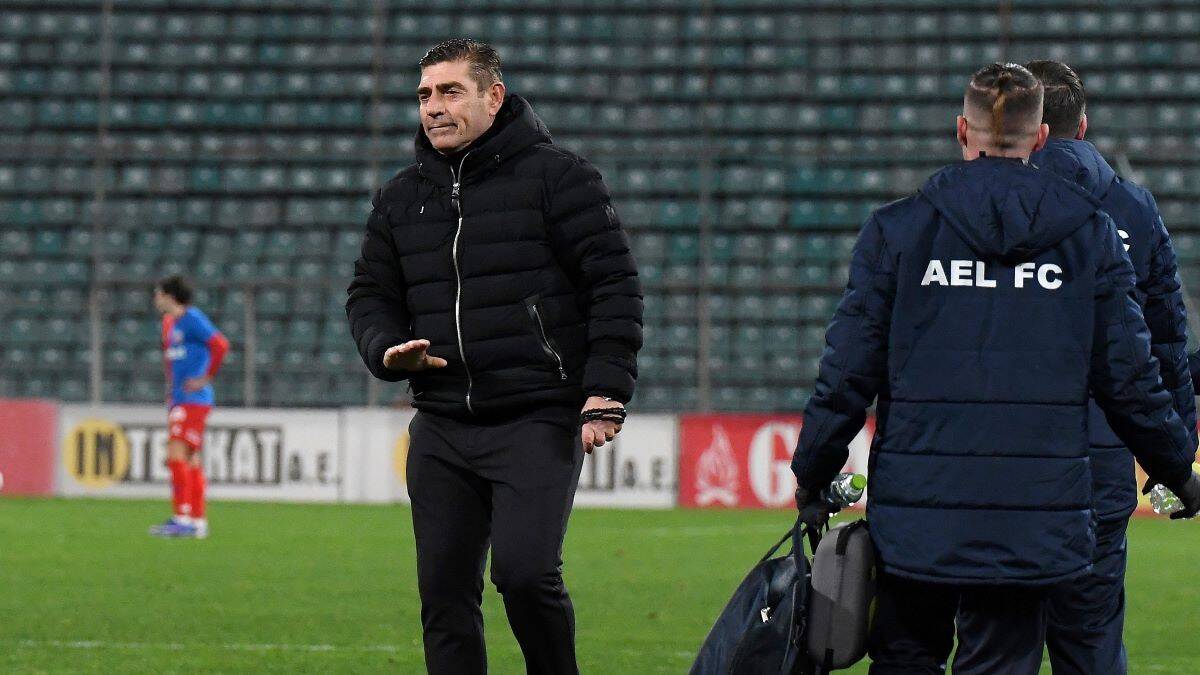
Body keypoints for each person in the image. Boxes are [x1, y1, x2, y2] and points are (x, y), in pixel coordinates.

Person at [791, 63, 1200, 675]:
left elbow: (847, 371)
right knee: (1002, 660)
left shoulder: (898, 231)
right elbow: (1131, 379)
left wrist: (813, 472)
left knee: (906, 657)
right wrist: (1177, 468)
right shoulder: (1090, 237)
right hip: (1030, 516)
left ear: (962, 130)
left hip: (917, 509)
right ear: (1042, 139)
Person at [345, 39, 642, 675]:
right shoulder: (399, 198)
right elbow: (369, 295)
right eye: (425, 95)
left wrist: (606, 388)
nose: (433, 107)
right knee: (444, 595)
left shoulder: (561, 178)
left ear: (493, 97)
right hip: (442, 423)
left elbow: (613, 286)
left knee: (526, 575)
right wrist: (386, 350)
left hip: (536, 416)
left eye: (450, 91)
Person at [1009, 59, 1197, 675]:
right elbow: (1164, 342)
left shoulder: (974, 205)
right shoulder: (1134, 210)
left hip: (998, 468)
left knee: (998, 642)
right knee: (1090, 641)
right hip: (1099, 463)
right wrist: (1176, 455)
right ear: (1082, 126)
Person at [150, 275, 229, 539]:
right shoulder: (168, 324)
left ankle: (181, 517)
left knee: (176, 454)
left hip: (194, 399)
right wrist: (171, 391)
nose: (155, 299)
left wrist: (206, 377)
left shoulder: (192, 318)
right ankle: (197, 521)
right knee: (192, 459)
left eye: (158, 293)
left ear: (170, 296)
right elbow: (171, 362)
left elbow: (220, 344)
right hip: (180, 398)